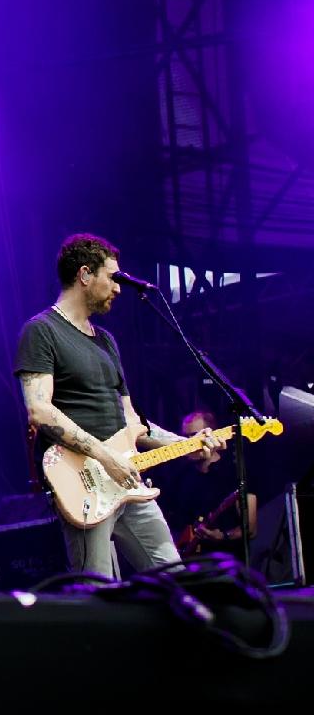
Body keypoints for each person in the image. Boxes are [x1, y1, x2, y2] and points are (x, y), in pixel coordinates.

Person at [15, 233, 225, 577]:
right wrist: (106, 456)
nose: (119, 287)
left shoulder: (107, 341)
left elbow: (134, 424)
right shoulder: (41, 331)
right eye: (112, 277)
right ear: (85, 275)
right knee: (98, 594)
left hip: (127, 481)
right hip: (82, 483)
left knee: (175, 580)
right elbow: (39, 410)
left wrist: (187, 445)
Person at [159, 409, 259, 558]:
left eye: (194, 436)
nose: (189, 442)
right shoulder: (179, 477)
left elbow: (250, 528)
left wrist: (224, 536)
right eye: (186, 437)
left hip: (227, 563)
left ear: (212, 436)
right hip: (189, 565)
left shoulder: (235, 474)